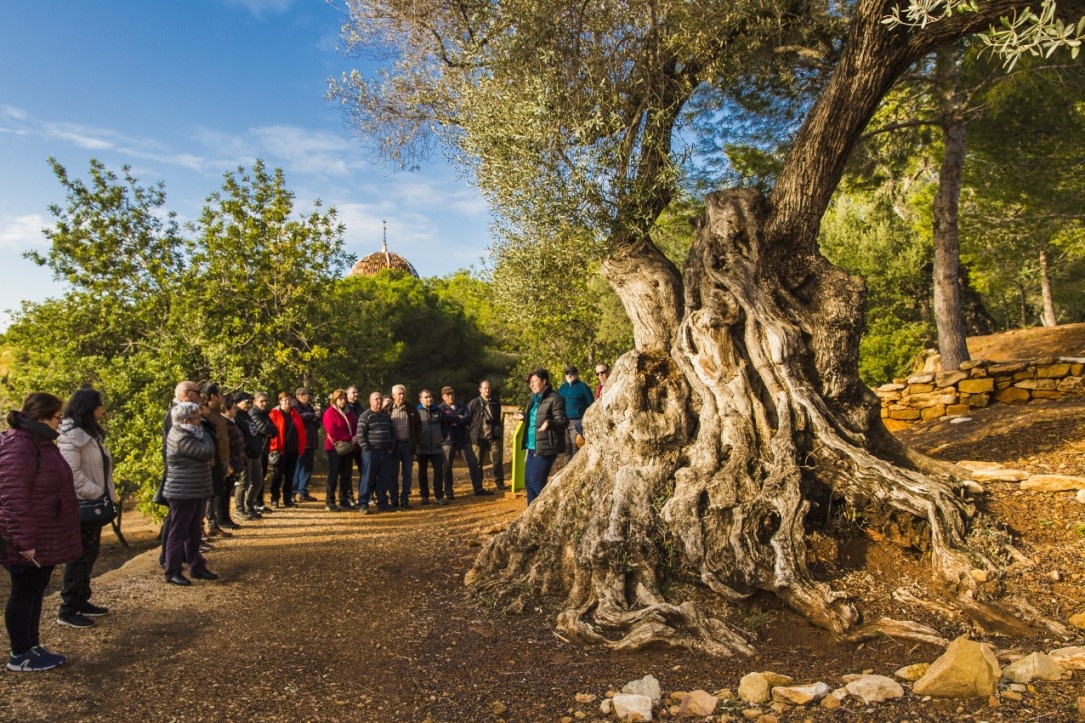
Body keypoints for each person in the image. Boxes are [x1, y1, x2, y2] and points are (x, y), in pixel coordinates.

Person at [0, 393, 81, 671]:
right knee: (24, 593)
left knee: (35, 591)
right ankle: (19, 654)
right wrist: (25, 541)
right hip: (26, 537)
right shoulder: (20, 444)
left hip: (45, 533)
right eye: (59, 417)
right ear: (44, 416)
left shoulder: (41, 442)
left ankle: (32, 647)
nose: (61, 422)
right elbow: (13, 497)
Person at [56, 388, 117, 629]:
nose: (103, 409)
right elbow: (72, 475)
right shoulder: (72, 437)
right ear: (88, 407)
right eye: (99, 404)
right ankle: (68, 608)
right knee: (79, 557)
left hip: (94, 503)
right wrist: (97, 493)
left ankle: (81, 600)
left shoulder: (88, 435)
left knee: (89, 554)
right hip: (83, 504)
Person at [162, 402, 219, 586]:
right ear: (186, 420)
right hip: (182, 491)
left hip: (194, 488)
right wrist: (208, 438)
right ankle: (172, 571)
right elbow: (207, 451)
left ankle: (197, 566)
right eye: (197, 418)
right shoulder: (181, 437)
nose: (200, 421)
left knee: (194, 531)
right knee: (178, 533)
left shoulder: (191, 433)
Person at [520, 369, 568, 504]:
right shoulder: (533, 399)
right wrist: (523, 416)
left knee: (537, 483)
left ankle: (550, 510)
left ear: (544, 381)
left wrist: (549, 423)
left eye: (534, 381)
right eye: (530, 383)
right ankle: (531, 517)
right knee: (528, 483)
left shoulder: (555, 399)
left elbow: (563, 422)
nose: (532, 385)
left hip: (546, 447)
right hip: (531, 445)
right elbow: (536, 418)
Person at [438, 387, 490, 497]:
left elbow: (468, 418)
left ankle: (478, 489)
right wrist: (458, 418)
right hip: (448, 440)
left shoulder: (462, 405)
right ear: (443, 396)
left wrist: (453, 421)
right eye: (447, 394)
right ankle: (448, 492)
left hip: (463, 439)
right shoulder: (440, 409)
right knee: (447, 467)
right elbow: (444, 421)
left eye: (452, 393)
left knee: (473, 464)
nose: (451, 396)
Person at [201, 382, 234, 535]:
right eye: (220, 394)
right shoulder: (205, 414)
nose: (222, 398)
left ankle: (213, 523)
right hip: (213, 459)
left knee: (217, 491)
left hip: (222, 458)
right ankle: (209, 525)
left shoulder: (216, 413)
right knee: (210, 493)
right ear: (212, 396)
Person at [354, 391, 393, 513]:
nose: (379, 401)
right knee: (367, 478)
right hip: (371, 453)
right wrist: (367, 449)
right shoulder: (365, 416)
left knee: (383, 479)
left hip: (385, 452)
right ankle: (363, 504)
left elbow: (391, 432)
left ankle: (382, 503)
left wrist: (391, 446)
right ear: (370, 401)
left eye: (380, 399)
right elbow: (360, 435)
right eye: (376, 399)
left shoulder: (386, 416)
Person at [267, 391, 306, 509]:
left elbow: (301, 431)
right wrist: (273, 447)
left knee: (290, 476)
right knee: (278, 475)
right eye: (285, 400)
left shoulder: (295, 414)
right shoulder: (274, 414)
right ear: (280, 401)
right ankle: (275, 498)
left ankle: (287, 499)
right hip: (279, 450)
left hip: (293, 450)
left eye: (289, 400)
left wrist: (301, 447)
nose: (287, 402)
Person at [322, 389, 357, 511]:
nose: (343, 401)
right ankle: (330, 501)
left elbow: (354, 426)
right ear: (335, 400)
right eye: (340, 399)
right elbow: (332, 430)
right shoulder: (330, 412)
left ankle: (344, 499)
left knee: (346, 474)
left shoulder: (349, 412)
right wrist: (348, 437)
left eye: (344, 399)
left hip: (348, 447)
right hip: (335, 447)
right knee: (334, 474)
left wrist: (354, 437)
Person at [232, 392, 265, 520]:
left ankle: (250, 506)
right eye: (247, 402)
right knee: (243, 483)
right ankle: (239, 509)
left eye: (251, 402)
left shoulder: (247, 414)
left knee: (257, 481)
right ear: (238, 401)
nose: (250, 404)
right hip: (245, 454)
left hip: (255, 453)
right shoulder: (237, 416)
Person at [467, 380, 506, 491]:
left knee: (497, 460)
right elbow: (467, 419)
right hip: (478, 438)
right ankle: (478, 486)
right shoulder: (474, 403)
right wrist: (470, 434)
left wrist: (498, 430)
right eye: (485, 388)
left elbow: (498, 420)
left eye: (489, 388)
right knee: (477, 463)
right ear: (480, 390)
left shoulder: (495, 403)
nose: (487, 390)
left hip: (492, 437)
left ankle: (500, 482)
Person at [387, 384, 421, 508]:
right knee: (393, 474)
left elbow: (418, 427)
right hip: (394, 446)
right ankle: (394, 500)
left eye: (403, 393)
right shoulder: (388, 409)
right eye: (399, 394)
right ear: (393, 395)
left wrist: (415, 441)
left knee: (407, 474)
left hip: (407, 445)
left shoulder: (411, 409)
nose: (402, 396)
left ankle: (405, 499)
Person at [557, 365, 594, 462]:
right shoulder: (562, 388)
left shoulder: (583, 387)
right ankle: (566, 472)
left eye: (572, 373)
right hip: (563, 422)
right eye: (567, 373)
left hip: (577, 422)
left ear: (576, 374)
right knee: (566, 450)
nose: (569, 375)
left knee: (576, 448)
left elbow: (591, 405)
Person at [415, 390, 445, 505]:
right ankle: (424, 496)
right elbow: (413, 429)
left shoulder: (438, 411)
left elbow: (444, 426)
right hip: (422, 448)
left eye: (430, 396)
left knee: (438, 472)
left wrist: (442, 437)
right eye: (426, 397)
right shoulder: (416, 412)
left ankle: (439, 496)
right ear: (420, 399)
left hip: (437, 448)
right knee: (422, 472)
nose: (429, 399)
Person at [292, 387, 320, 503]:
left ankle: (303, 492)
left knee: (307, 469)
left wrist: (316, 416)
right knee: (297, 468)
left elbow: (317, 423)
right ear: (300, 395)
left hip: (311, 442)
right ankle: (292, 493)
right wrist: (313, 415)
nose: (310, 397)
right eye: (308, 395)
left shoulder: (308, 407)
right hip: (300, 442)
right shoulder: (294, 405)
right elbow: (298, 417)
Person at [248, 392, 274, 511]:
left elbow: (274, 430)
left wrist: (270, 430)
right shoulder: (253, 412)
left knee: (261, 477)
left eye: (266, 401)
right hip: (256, 449)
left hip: (264, 448)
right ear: (254, 401)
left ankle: (259, 502)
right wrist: (269, 430)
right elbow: (263, 429)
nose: (264, 404)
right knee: (256, 478)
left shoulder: (265, 413)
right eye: (261, 401)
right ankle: (253, 502)